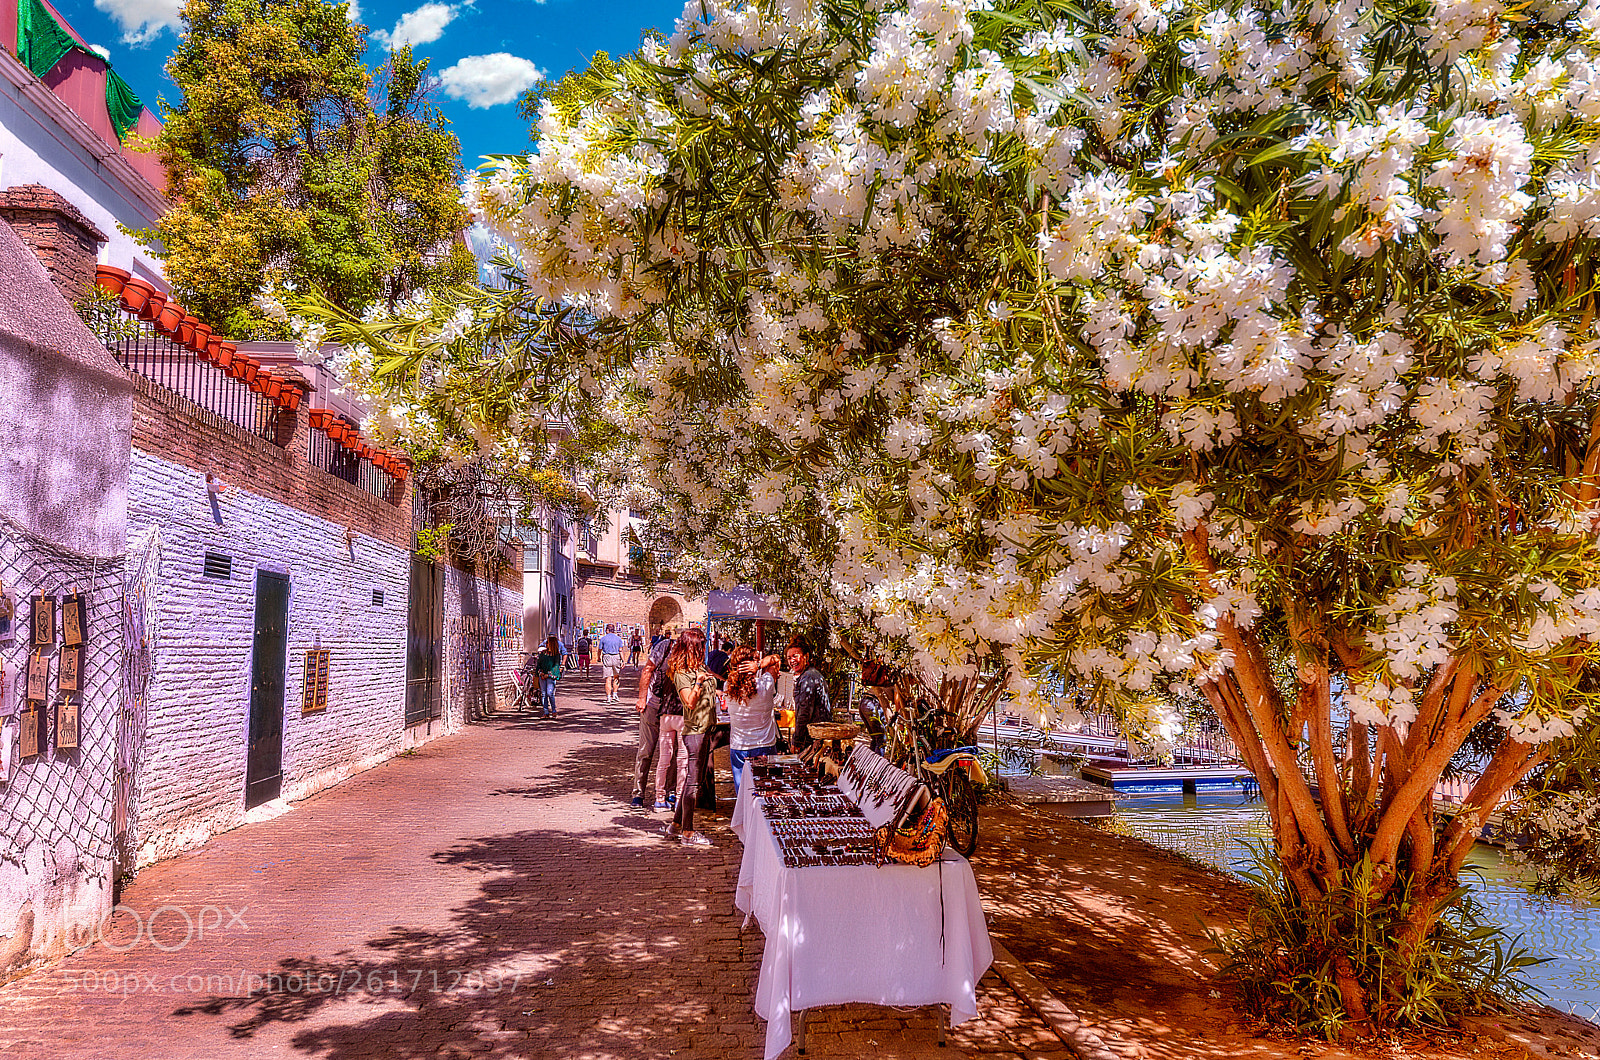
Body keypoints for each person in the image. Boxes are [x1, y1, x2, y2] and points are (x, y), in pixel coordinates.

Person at [660, 628, 720, 848]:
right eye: (701, 644)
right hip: (695, 732)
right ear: (692, 646)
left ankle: (675, 826)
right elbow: (689, 702)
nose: (705, 647)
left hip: (706, 729)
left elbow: (712, 687)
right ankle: (688, 832)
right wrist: (698, 683)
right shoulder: (682, 672)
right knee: (693, 783)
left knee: (691, 781)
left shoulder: (699, 667)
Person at [725, 645, 780, 797]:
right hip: (764, 746)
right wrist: (761, 664)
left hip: (739, 747)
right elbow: (776, 659)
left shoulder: (728, 687)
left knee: (744, 795)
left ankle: (745, 821)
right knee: (765, 795)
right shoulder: (765, 684)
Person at [631, 633, 677, 808]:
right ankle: (638, 793)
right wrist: (642, 698)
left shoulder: (690, 652)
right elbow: (647, 669)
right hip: (654, 704)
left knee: (672, 752)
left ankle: (669, 791)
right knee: (646, 751)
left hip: (672, 708)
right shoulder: (664, 647)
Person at [786, 635, 829, 753]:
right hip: (817, 734)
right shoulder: (810, 675)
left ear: (806, 657)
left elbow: (804, 713)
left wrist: (797, 741)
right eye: (789, 658)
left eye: (795, 656)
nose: (792, 661)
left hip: (812, 738)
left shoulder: (808, 678)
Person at [597, 623, 626, 702]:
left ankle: (608, 697)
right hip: (616, 657)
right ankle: (615, 694)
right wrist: (623, 660)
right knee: (616, 677)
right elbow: (620, 650)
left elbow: (600, 650)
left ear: (607, 630)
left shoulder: (603, 639)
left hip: (607, 657)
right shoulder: (618, 639)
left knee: (608, 678)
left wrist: (598, 657)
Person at [535, 635, 562, 718]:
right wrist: (540, 673)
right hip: (542, 675)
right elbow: (539, 664)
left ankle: (553, 710)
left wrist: (549, 674)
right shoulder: (543, 653)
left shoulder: (556, 654)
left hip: (550, 676)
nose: (546, 644)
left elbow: (556, 666)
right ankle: (546, 712)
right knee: (543, 694)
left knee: (550, 693)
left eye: (547, 643)